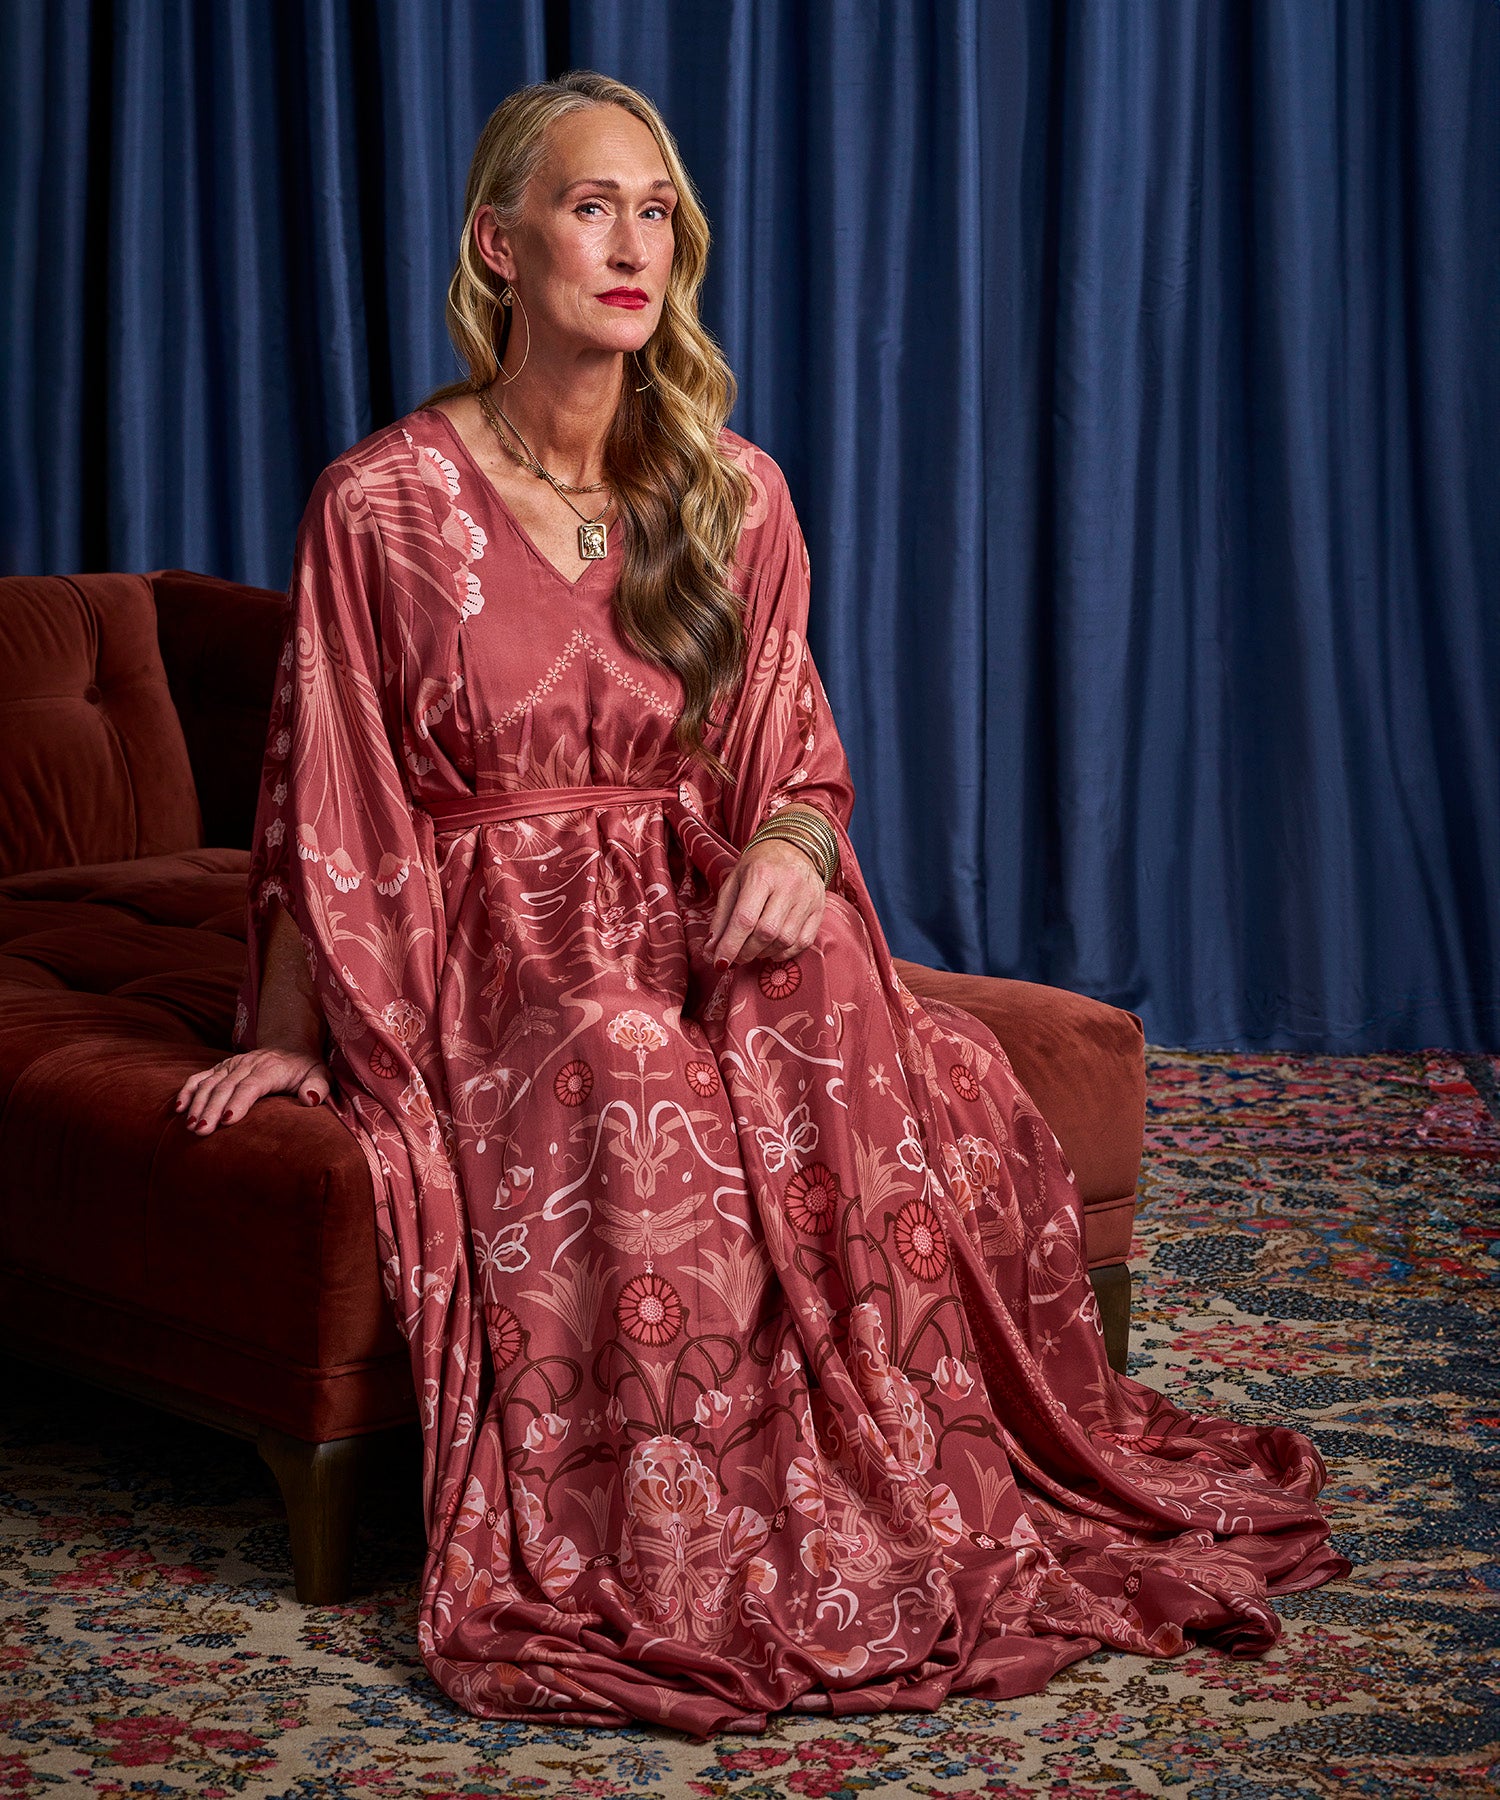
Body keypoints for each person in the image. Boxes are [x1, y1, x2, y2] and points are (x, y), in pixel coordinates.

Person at [175, 70, 1350, 1736]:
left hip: (690, 896)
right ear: (500, 245)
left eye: (656, 213)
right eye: (591, 207)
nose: (631, 246)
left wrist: (794, 853)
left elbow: (792, 754)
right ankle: (687, 1546)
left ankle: (904, 1483)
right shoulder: (382, 503)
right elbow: (330, 796)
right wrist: (296, 1032)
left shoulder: (732, 491)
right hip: (494, 951)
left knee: (884, 1025)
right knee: (631, 1059)